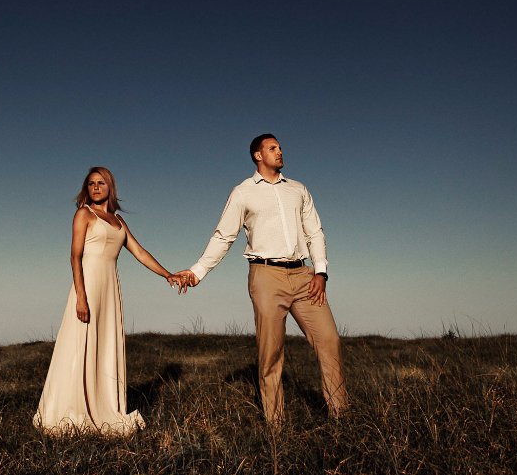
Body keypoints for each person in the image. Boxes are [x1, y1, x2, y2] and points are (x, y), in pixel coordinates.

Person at [172, 134, 347, 422]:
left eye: (280, 147)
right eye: (273, 148)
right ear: (257, 155)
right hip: (266, 276)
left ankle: (341, 417)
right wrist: (197, 271)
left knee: (329, 341)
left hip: (304, 276)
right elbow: (224, 236)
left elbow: (315, 231)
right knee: (270, 354)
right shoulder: (243, 192)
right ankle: (276, 427)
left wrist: (320, 271)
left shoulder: (298, 189)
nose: (280, 151)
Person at [35, 166, 183, 435]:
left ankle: (103, 403)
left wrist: (167, 274)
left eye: (101, 183)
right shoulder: (83, 214)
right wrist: (81, 296)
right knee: (81, 343)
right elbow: (75, 257)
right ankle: (70, 406)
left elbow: (139, 251)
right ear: (86, 188)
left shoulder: (118, 222)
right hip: (88, 287)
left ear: (110, 187)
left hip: (109, 289)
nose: (95, 187)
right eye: (91, 183)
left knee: (104, 343)